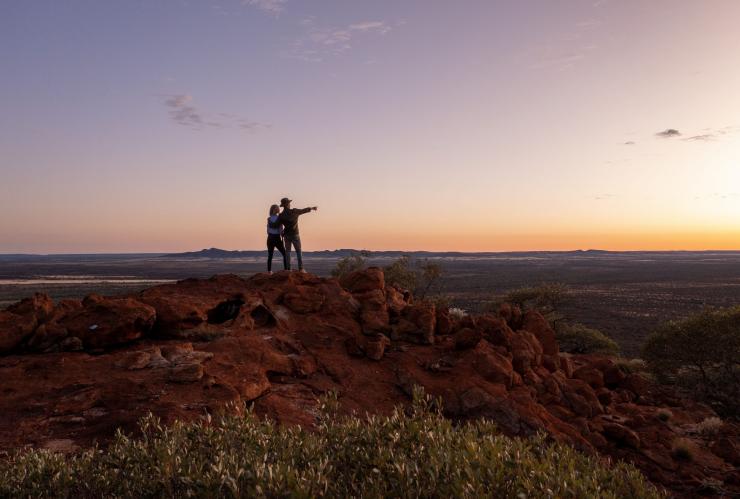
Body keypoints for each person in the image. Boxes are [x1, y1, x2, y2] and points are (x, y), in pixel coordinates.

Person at [277, 197, 317, 272]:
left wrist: (280, 231)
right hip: (295, 234)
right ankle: (301, 268)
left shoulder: (281, 215)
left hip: (286, 235)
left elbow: (278, 225)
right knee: (298, 251)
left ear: (283, 205)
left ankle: (288, 269)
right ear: (288, 204)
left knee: (288, 252)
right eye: (289, 203)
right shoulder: (294, 211)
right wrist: (311, 208)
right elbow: (303, 210)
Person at [266, 204, 287, 273]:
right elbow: (281, 230)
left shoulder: (269, 219)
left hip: (270, 238)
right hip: (276, 237)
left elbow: (268, 230)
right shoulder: (279, 218)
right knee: (285, 254)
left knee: (270, 255)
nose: (278, 209)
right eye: (277, 208)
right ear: (274, 209)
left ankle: (269, 271)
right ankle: (286, 269)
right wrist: (283, 234)